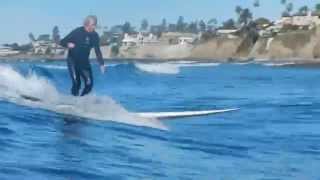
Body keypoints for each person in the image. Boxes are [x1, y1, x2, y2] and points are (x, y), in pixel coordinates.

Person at [60, 15, 106, 96]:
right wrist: (68, 44)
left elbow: (97, 50)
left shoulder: (95, 36)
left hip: (84, 63)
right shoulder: (77, 31)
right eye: (93, 24)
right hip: (72, 61)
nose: (94, 26)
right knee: (77, 83)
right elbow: (62, 41)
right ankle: (74, 100)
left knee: (89, 84)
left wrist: (101, 64)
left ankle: (82, 101)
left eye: (95, 24)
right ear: (87, 24)